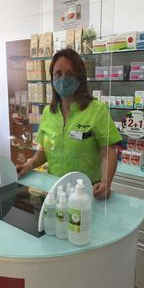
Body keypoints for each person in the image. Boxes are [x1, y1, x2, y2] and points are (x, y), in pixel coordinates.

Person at [16, 48, 122, 199]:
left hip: (87, 191)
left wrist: (106, 182)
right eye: (58, 74)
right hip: (55, 190)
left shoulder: (97, 110)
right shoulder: (48, 112)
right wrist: (29, 164)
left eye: (70, 74)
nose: (63, 79)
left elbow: (108, 152)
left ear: (80, 77)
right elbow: (43, 152)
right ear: (52, 78)